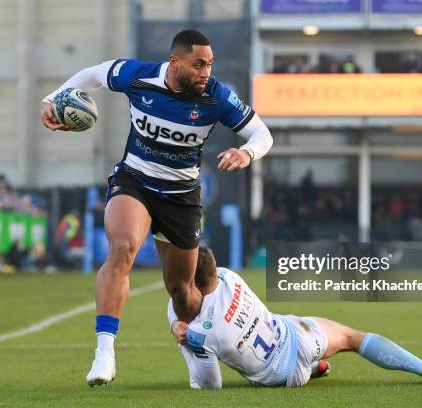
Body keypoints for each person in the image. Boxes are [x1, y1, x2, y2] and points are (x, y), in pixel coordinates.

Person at [40, 29, 273, 386]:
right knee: (122, 249)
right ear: (174, 62)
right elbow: (93, 74)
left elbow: (262, 134)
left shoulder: (217, 97)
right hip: (135, 180)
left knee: (182, 290)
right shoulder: (137, 76)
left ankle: (199, 348)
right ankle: (104, 353)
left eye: (209, 64)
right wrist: (53, 97)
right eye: (198, 65)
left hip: (181, 197)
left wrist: (246, 152)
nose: (205, 72)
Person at [168, 247, 422, 389]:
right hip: (296, 335)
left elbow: (210, 385)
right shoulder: (230, 277)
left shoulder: (202, 334)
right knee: (351, 338)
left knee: (274, 361)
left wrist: (184, 340)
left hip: (282, 376)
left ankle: (312, 369)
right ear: (214, 268)